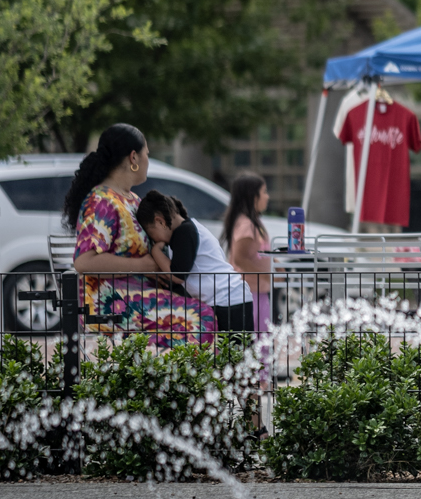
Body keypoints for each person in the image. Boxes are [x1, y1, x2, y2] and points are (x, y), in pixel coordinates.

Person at [63, 125, 213, 345]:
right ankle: (190, 378)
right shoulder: (101, 202)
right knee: (200, 316)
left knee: (210, 308)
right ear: (133, 157)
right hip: (108, 301)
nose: (148, 161)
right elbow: (84, 261)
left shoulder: (132, 200)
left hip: (139, 293)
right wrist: (144, 267)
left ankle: (179, 377)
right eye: (146, 154)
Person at [138, 191, 255, 340]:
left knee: (234, 358)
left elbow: (177, 275)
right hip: (229, 299)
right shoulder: (189, 228)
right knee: (231, 357)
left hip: (228, 301)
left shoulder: (184, 232)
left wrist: (155, 251)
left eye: (150, 233)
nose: (153, 240)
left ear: (160, 222)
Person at [222, 173, 274, 334]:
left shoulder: (255, 223)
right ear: (253, 197)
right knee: (255, 336)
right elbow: (239, 258)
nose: (267, 196)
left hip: (259, 289)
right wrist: (266, 274)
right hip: (249, 291)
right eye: (264, 192)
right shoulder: (246, 225)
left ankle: (262, 360)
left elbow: (262, 251)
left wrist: (276, 266)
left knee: (263, 334)